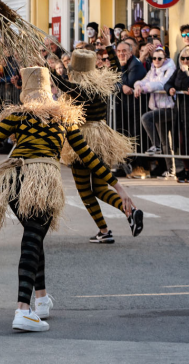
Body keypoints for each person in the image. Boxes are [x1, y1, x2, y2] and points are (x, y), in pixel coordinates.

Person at [0, 66, 135, 332]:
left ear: (25, 91)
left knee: (33, 236)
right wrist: (118, 187)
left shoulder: (18, 116)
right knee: (32, 239)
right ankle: (22, 310)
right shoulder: (64, 117)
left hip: (14, 181)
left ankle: (41, 301)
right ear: (50, 88)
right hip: (41, 183)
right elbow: (88, 156)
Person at [51, 49, 142, 243]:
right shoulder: (101, 83)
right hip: (102, 137)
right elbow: (118, 72)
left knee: (85, 190)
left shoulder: (80, 88)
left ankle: (104, 230)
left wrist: (44, 67)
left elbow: (62, 84)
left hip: (83, 138)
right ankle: (130, 212)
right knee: (100, 188)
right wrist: (110, 47)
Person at [135, 47, 177, 156]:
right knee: (165, 142)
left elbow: (162, 84)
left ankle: (156, 146)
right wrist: (138, 86)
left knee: (145, 118)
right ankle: (171, 171)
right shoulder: (152, 70)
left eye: (159, 58)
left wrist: (144, 88)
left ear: (165, 59)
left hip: (169, 108)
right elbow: (143, 80)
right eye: (154, 58)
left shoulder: (170, 68)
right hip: (157, 107)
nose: (156, 60)